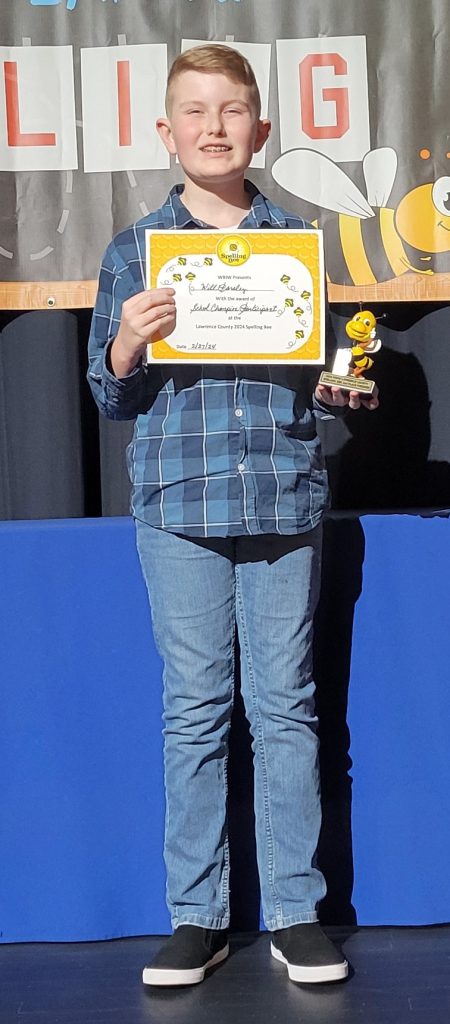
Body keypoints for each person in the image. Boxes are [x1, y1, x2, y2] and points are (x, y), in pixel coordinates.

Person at [87, 44, 378, 988]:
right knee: (195, 711)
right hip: (178, 503)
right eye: (195, 111)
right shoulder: (134, 249)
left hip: (283, 497)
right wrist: (127, 343)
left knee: (286, 706)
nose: (214, 127)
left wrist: (343, 387)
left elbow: (326, 371)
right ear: (166, 132)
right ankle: (197, 917)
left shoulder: (300, 243)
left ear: (261, 129)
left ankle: (296, 911)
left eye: (233, 111)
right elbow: (110, 394)